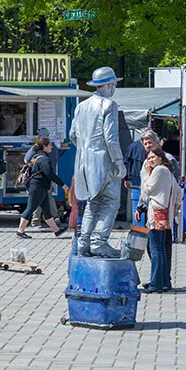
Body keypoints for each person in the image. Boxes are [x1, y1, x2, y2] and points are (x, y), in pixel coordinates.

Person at [70, 67, 127, 258]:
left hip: (84, 164)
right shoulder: (108, 105)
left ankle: (83, 243)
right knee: (111, 202)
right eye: (114, 85)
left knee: (92, 204)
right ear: (109, 85)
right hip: (104, 162)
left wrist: (85, 149)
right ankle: (99, 242)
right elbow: (111, 138)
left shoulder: (81, 106)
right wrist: (119, 163)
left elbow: (72, 136)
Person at [136, 146, 182, 293]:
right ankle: (163, 282)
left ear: (161, 157)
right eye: (148, 158)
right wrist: (174, 207)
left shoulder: (157, 170)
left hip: (156, 213)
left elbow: (147, 189)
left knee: (156, 249)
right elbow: (179, 192)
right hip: (165, 214)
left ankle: (156, 284)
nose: (150, 161)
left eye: (153, 157)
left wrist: (147, 174)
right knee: (161, 249)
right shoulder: (168, 172)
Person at [16, 137, 70, 239]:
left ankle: (56, 231)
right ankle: (20, 231)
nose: (51, 147)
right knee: (30, 208)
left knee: (46, 210)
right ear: (44, 146)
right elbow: (50, 174)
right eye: (49, 145)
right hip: (37, 187)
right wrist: (62, 185)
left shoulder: (37, 157)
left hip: (41, 187)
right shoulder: (44, 159)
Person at [26, 128, 60, 227]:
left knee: (38, 198)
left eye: (38, 135)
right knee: (48, 196)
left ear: (41, 136)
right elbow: (55, 161)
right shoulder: (52, 146)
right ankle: (54, 218)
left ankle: (35, 220)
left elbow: (26, 159)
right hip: (50, 176)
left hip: (39, 177)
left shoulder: (37, 147)